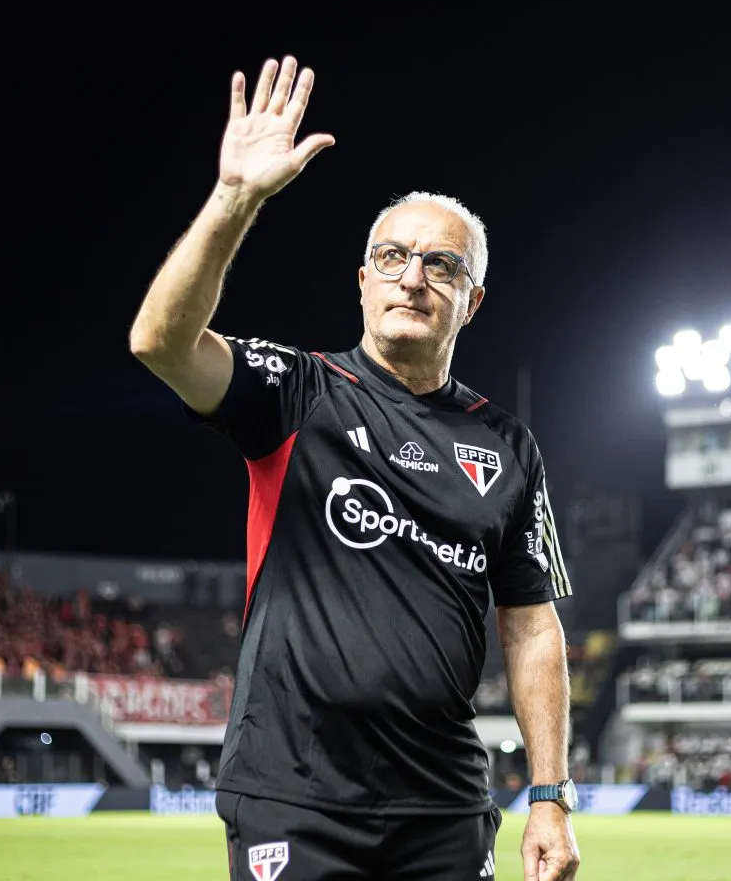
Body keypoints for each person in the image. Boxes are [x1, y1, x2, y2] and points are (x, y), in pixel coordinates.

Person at [130, 56, 580, 881]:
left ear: (471, 299)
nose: (412, 277)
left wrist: (549, 792)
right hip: (294, 795)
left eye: (441, 263)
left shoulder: (509, 447)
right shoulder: (295, 391)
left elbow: (530, 623)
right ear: (363, 280)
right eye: (392, 256)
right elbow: (159, 342)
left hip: (444, 807)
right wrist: (235, 199)